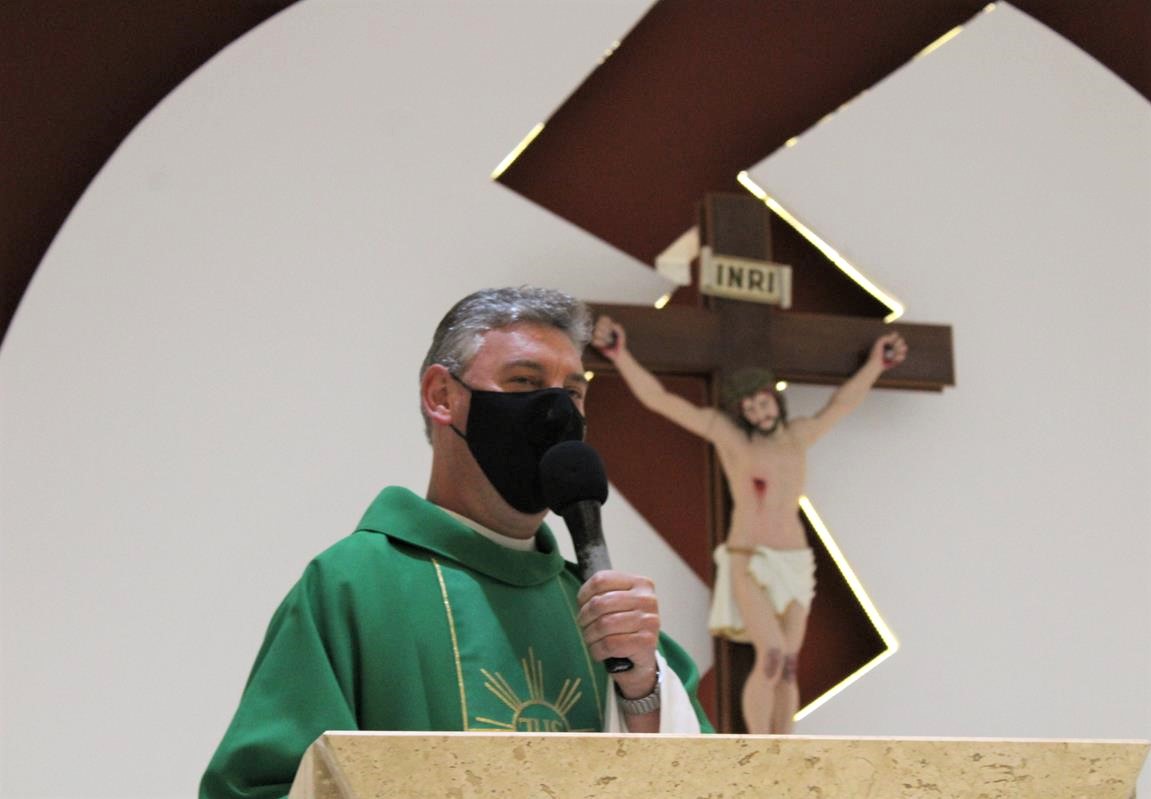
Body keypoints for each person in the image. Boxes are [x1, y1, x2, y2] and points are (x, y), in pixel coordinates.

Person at [200, 287, 713, 799]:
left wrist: (641, 694)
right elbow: (258, 788)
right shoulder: (353, 587)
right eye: (525, 382)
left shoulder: (605, 619)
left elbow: (716, 781)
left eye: (573, 393)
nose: (558, 412)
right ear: (442, 396)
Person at [592, 315, 907, 734]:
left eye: (764, 401)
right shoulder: (732, 439)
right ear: (741, 412)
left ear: (775, 399)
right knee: (771, 654)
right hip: (749, 557)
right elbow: (662, 400)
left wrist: (876, 365)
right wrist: (620, 355)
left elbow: (842, 403)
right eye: (750, 407)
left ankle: (784, 749)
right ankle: (759, 748)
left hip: (795, 561)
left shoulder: (798, 436)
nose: (760, 411)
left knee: (789, 664)